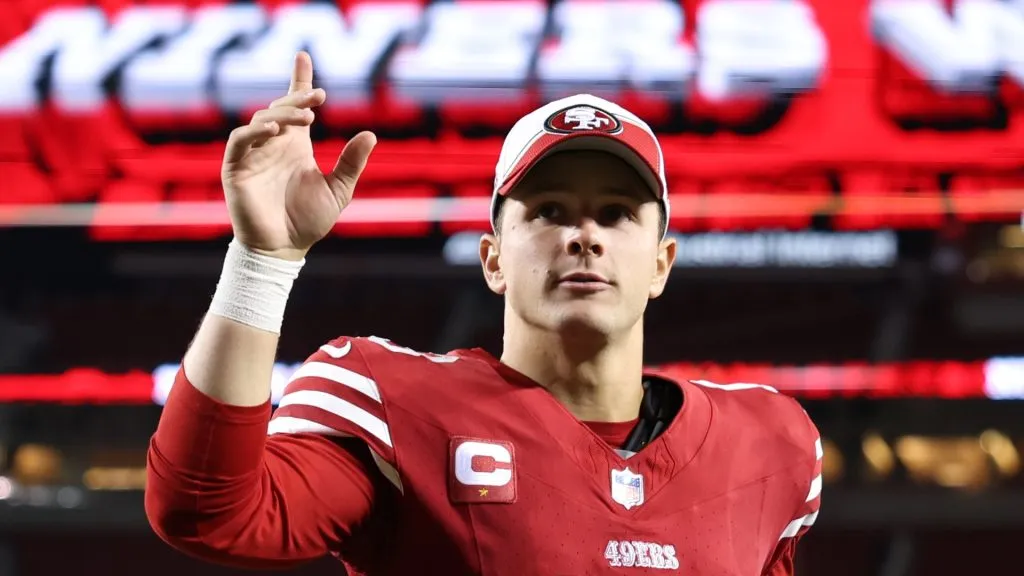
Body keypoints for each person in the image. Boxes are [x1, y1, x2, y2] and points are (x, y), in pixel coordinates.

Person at [145, 52, 822, 575]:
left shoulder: (770, 445)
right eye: (549, 211)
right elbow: (207, 512)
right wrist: (262, 261)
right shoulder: (394, 403)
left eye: (615, 214)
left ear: (661, 264)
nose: (583, 235)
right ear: (493, 259)